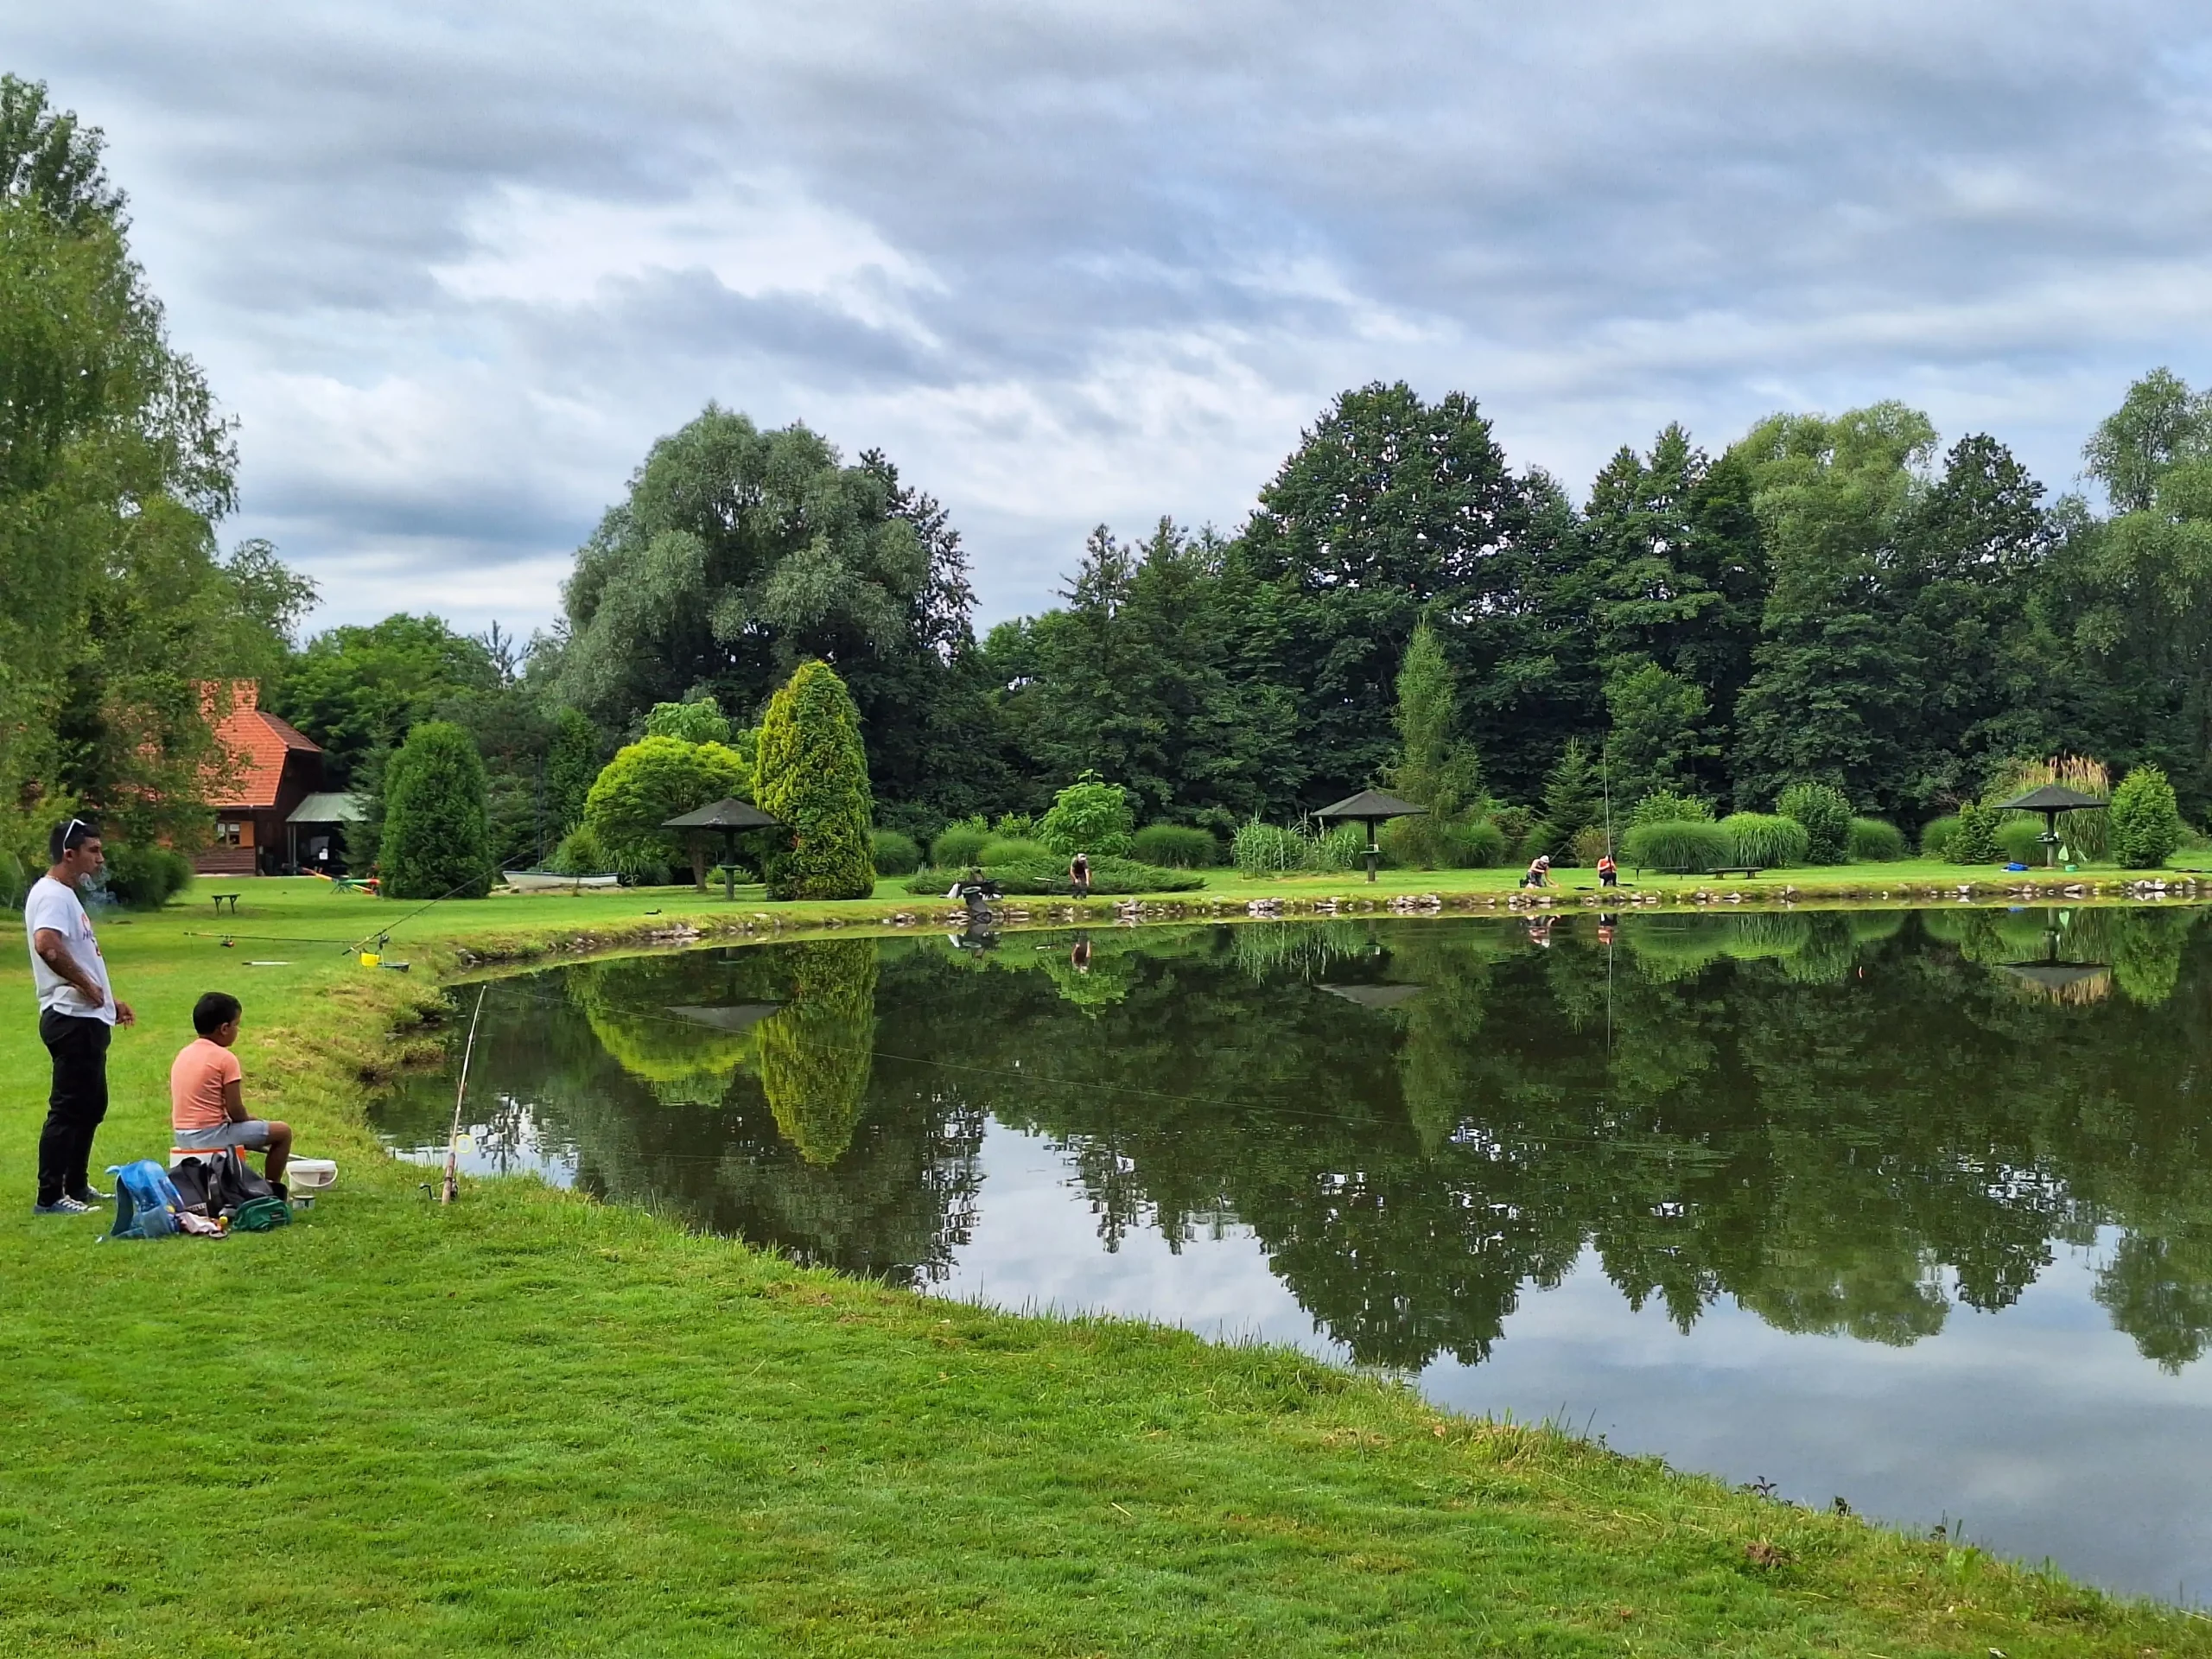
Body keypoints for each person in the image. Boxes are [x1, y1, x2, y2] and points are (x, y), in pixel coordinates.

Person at [26, 817, 133, 1215]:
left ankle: (76, 1185)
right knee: (69, 1107)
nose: (100, 859)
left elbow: (81, 955)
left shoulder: (66, 895)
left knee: (91, 1105)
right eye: (94, 851)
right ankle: (50, 1196)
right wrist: (88, 990)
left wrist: (109, 1000)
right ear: (69, 854)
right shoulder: (52, 895)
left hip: (88, 1017)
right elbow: (47, 946)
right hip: (70, 1018)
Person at [170, 992, 291, 1194]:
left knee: (255, 1131)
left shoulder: (184, 1053)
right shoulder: (225, 1058)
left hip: (182, 1136)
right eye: (237, 1024)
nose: (238, 1030)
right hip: (210, 1136)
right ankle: (270, 1190)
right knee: (282, 1132)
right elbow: (235, 1111)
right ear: (224, 1029)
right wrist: (248, 1120)